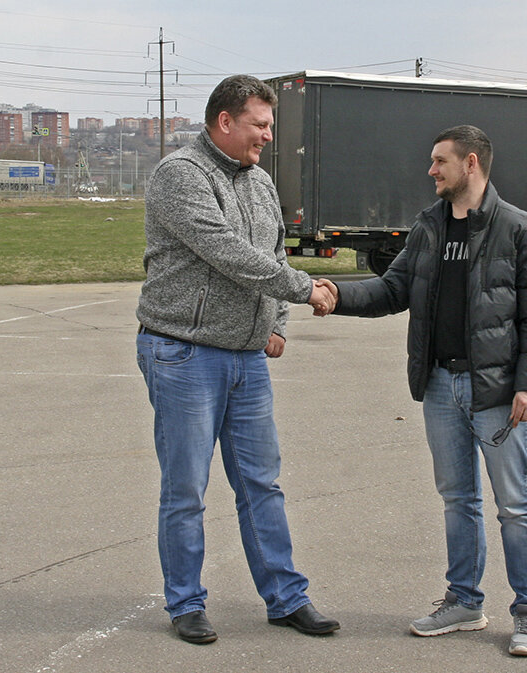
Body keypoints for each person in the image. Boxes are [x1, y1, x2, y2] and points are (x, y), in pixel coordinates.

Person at [316, 125, 527, 657]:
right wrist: (337, 294)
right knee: (458, 500)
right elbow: (392, 290)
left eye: (439, 162)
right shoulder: (428, 227)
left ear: (470, 164)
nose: (430, 171)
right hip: (441, 385)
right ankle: (465, 601)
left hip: (497, 393)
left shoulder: (521, 230)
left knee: (515, 504)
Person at [135, 74, 339, 644]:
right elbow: (227, 252)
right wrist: (304, 290)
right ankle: (185, 603)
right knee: (186, 487)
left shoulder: (261, 183)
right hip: (184, 352)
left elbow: (271, 252)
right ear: (225, 121)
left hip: (245, 358)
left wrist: (274, 322)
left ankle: (286, 598)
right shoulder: (181, 175)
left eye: (270, 125)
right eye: (261, 124)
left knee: (261, 483)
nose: (268, 136)